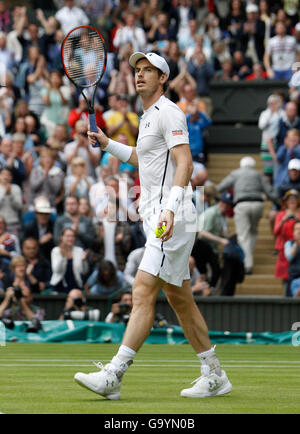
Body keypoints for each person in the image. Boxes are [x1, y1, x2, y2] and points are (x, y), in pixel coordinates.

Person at [75, 51, 232, 399]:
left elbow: (185, 164)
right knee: (180, 300)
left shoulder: (169, 111)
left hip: (170, 218)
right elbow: (141, 158)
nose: (140, 75)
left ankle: (113, 375)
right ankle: (215, 374)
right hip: (157, 217)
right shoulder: (148, 118)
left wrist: (171, 209)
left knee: (143, 290)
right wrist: (107, 143)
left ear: (163, 78)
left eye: (149, 70)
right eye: (137, 70)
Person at [217, 156, 279, 274]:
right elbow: (269, 191)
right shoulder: (258, 174)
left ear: (241, 165)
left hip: (242, 205)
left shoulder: (235, 173)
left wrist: (213, 195)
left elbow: (221, 187)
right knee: (253, 231)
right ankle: (248, 256)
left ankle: (247, 265)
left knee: (243, 235)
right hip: (258, 205)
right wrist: (278, 203)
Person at [192, 192, 233, 290]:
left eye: (228, 204)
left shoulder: (221, 215)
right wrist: (221, 240)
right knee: (207, 271)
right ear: (220, 202)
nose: (225, 206)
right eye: (223, 203)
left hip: (210, 247)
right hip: (201, 246)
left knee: (215, 270)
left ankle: (209, 289)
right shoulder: (212, 213)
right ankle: (206, 290)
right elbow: (202, 233)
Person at [50, 227, 89, 294]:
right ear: (62, 237)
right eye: (68, 236)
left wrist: (84, 261)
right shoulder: (56, 251)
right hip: (58, 286)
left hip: (75, 286)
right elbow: (56, 270)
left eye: (72, 236)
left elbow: (84, 272)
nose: (70, 238)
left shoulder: (79, 251)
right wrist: (62, 256)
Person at [0, 167, 23, 236]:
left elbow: (19, 206)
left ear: (11, 177)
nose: (6, 177)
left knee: (14, 244)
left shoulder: (16, 188)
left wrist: (10, 195)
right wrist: (4, 193)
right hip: (0, 224)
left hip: (13, 224)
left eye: (8, 175)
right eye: (3, 174)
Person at [284, 221, 300, 297]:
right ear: (293, 232)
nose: (299, 231)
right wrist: (296, 243)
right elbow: (289, 257)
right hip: (293, 277)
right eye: (296, 229)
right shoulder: (289, 244)